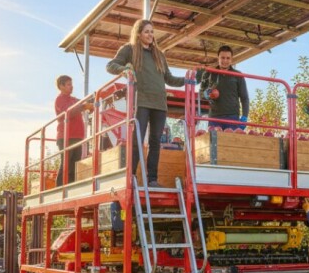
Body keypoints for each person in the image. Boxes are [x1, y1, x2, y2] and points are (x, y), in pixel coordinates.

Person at [106, 19, 185, 188]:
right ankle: (132, 178)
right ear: (139, 33)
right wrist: (124, 69)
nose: (150, 35)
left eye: (152, 31)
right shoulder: (130, 49)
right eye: (147, 31)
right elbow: (111, 65)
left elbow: (169, 78)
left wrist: (187, 80)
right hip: (141, 101)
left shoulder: (159, 54)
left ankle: (152, 180)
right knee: (137, 140)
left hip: (160, 104)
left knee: (156, 141)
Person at [197, 45, 250, 130]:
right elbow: (201, 93)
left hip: (232, 117)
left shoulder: (238, 75)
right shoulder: (209, 74)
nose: (225, 60)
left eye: (228, 58)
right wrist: (206, 94)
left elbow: (244, 98)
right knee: (214, 142)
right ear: (218, 58)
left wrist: (244, 117)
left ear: (231, 59)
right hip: (214, 117)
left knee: (229, 143)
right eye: (222, 58)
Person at [54, 75, 84, 186]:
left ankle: (71, 187)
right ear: (61, 86)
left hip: (77, 136)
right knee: (66, 164)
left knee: (74, 165)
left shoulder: (73, 99)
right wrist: (83, 106)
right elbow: (67, 112)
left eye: (71, 84)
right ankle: (59, 188)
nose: (71, 87)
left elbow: (84, 102)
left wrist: (91, 101)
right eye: (68, 84)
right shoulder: (60, 99)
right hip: (66, 136)